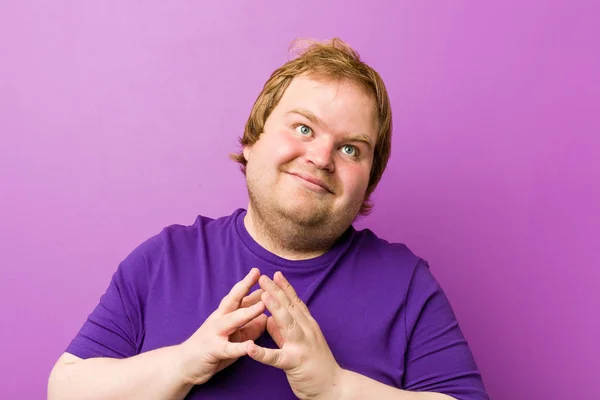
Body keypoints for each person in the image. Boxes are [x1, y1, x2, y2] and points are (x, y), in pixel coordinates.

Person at [48, 38, 489, 400]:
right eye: (303, 128)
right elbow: (64, 389)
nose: (320, 157)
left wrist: (336, 388)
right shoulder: (165, 259)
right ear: (254, 137)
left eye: (351, 148)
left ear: (368, 181)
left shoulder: (406, 284)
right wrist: (183, 363)